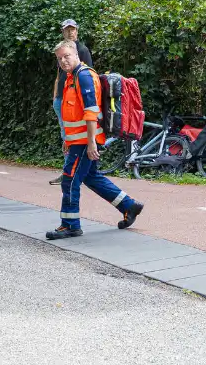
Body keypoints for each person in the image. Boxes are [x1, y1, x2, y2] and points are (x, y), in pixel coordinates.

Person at [46, 40, 143, 240]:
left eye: (66, 56)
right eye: (60, 58)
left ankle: (70, 225)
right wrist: (68, 139)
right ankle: (129, 206)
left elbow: (91, 112)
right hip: (78, 140)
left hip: (85, 142)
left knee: (70, 180)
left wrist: (91, 143)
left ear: (76, 55)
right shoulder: (70, 77)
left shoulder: (84, 77)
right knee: (90, 176)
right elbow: (72, 114)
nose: (63, 61)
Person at [50, 19, 92, 185]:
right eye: (67, 29)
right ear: (63, 32)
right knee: (65, 135)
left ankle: (72, 172)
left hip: (74, 101)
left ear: (77, 31)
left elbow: (88, 75)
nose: (70, 32)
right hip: (61, 99)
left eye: (72, 29)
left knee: (73, 136)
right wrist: (55, 96)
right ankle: (70, 171)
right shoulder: (62, 50)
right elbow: (59, 75)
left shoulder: (82, 50)